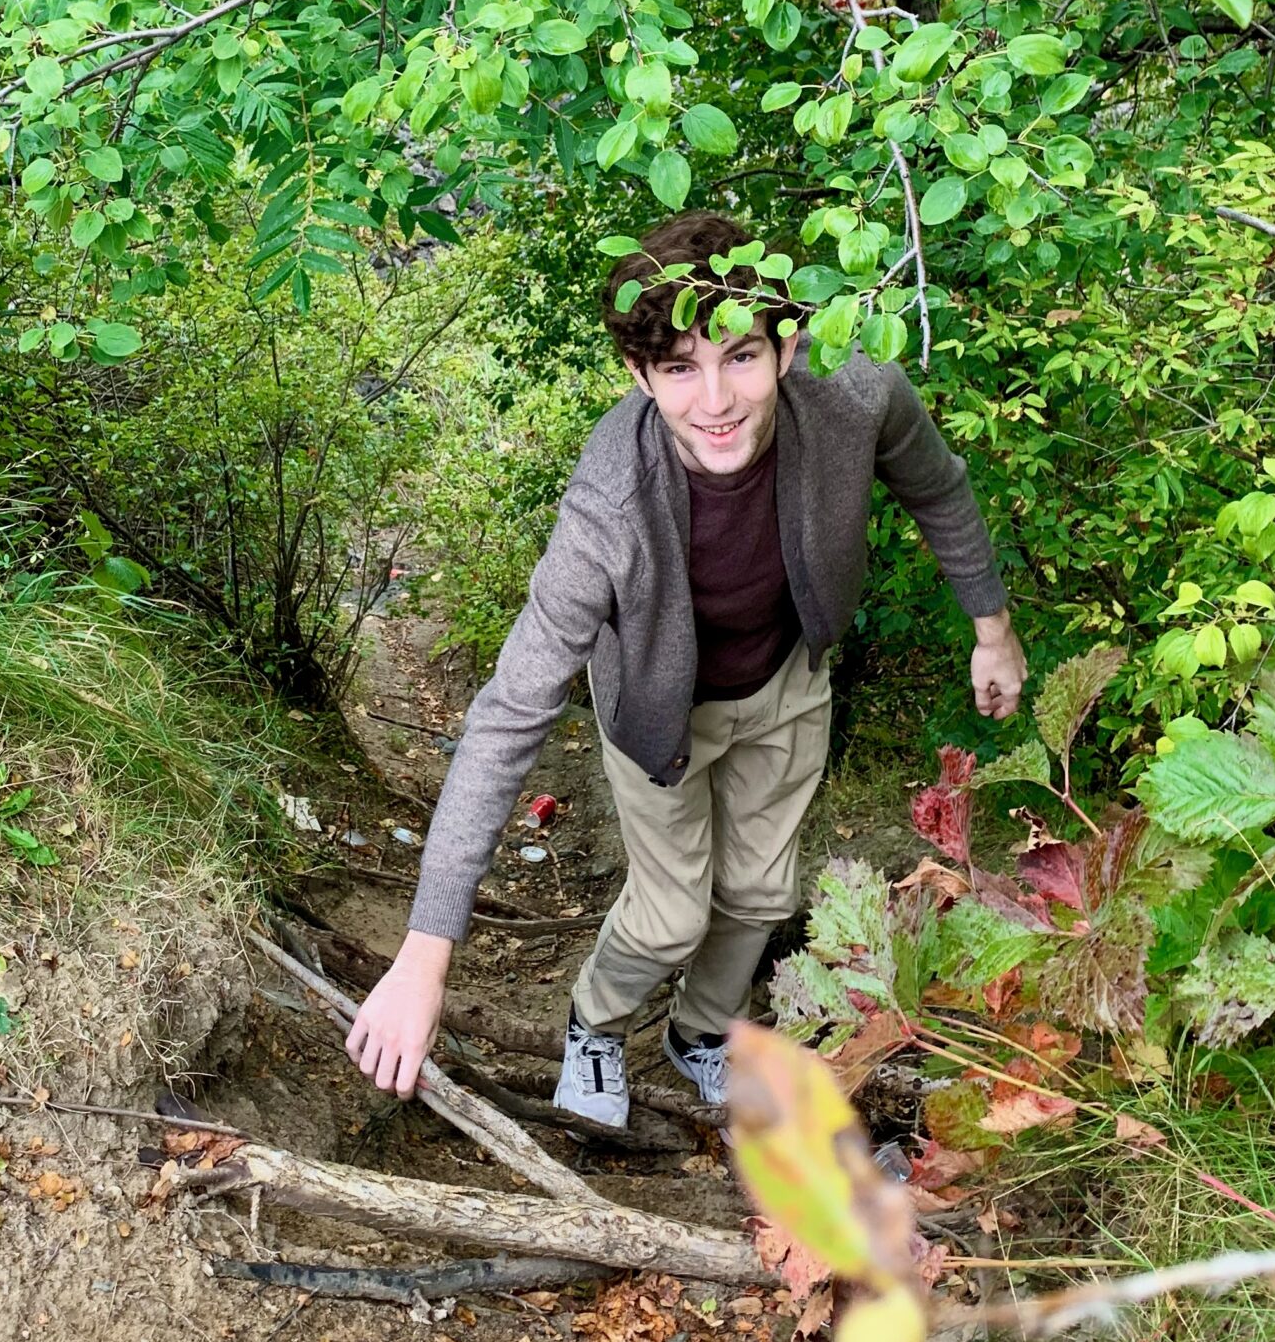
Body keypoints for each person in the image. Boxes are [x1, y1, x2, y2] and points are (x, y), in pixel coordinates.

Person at [346, 210, 1025, 1128]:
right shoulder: (610, 504)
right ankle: (596, 1022)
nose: (715, 400)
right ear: (640, 376)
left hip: (784, 679)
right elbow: (510, 713)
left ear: (788, 349)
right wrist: (426, 952)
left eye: (740, 356)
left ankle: (700, 1033)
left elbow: (936, 483)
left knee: (761, 893)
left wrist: (992, 627)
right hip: (657, 711)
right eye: (679, 369)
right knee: (669, 917)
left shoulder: (855, 395)